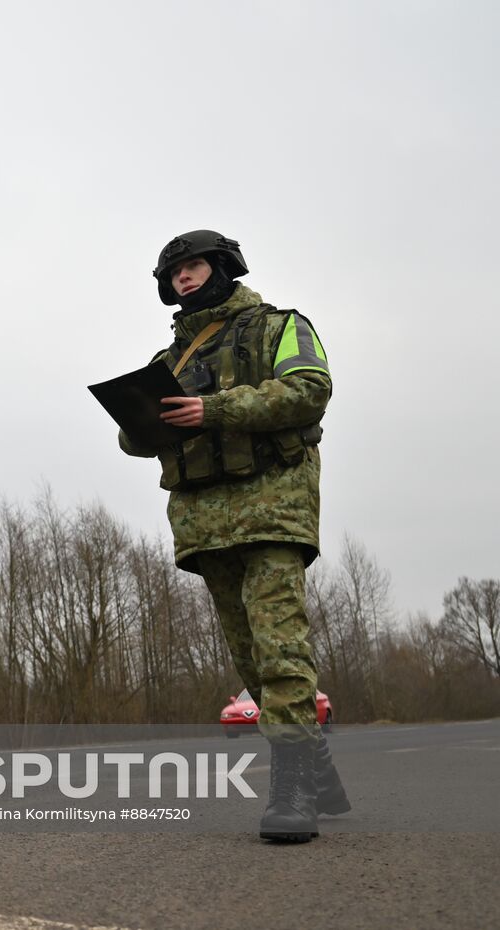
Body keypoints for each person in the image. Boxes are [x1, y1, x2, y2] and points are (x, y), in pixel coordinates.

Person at [119, 230, 348, 843]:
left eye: (192, 267)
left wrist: (212, 410)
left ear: (222, 267)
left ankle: (294, 785)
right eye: (174, 274)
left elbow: (309, 390)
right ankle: (314, 759)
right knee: (248, 657)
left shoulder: (281, 326)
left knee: (279, 647)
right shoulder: (170, 359)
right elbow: (136, 440)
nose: (183, 280)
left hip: (273, 510)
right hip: (205, 520)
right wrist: (139, 420)